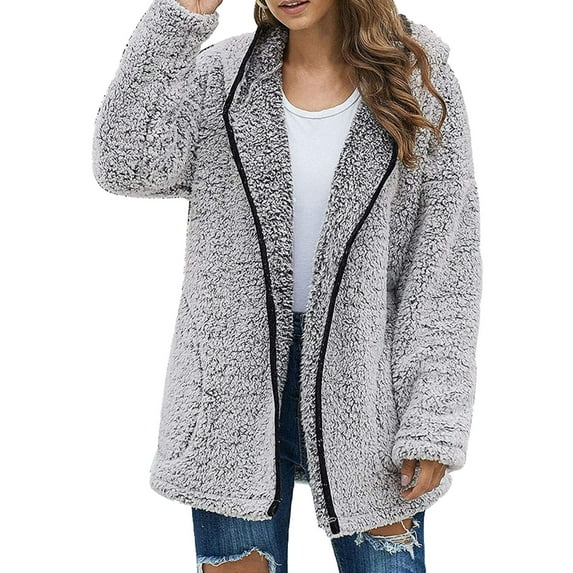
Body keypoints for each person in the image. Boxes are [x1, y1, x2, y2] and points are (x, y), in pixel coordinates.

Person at [92, 0, 482, 571]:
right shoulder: (222, 77)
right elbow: (125, 164)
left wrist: (434, 418)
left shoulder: (417, 82)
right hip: (231, 392)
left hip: (368, 389)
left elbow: (444, 269)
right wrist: (179, 17)